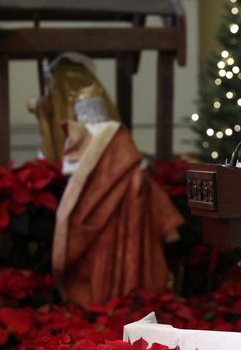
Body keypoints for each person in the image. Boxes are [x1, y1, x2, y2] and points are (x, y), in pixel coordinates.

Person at [52, 87, 183, 308]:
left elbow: (69, 171)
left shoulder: (81, 134)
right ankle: (118, 301)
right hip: (122, 206)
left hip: (101, 208)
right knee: (116, 254)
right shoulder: (115, 133)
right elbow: (137, 169)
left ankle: (103, 304)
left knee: (99, 258)